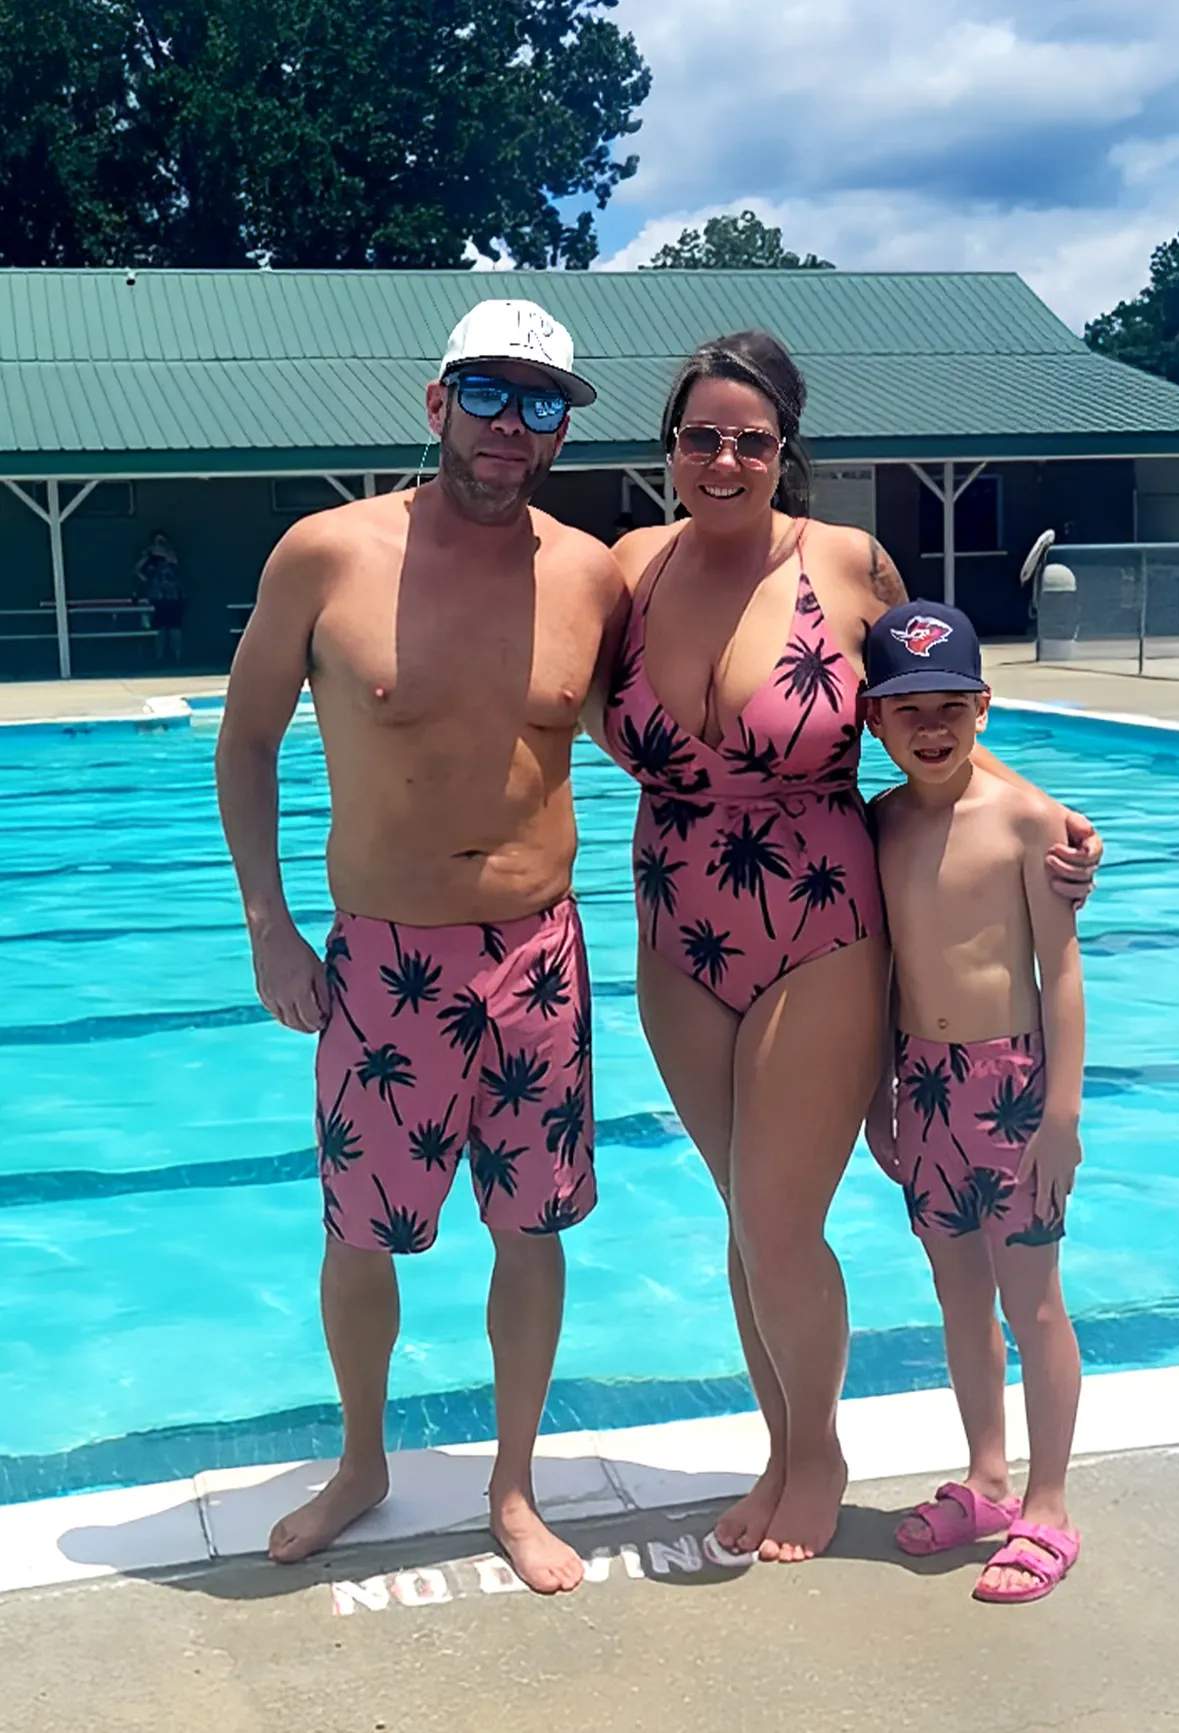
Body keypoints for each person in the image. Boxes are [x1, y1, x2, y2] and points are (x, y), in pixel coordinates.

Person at [597, 330, 1099, 1565]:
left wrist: (1036, 815)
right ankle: (777, 1444)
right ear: (669, 446)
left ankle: (816, 1453)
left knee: (778, 1216)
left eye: (750, 439)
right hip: (676, 922)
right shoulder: (625, 568)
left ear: (784, 452)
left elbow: (934, 705)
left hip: (819, 912)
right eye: (700, 435)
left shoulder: (848, 561)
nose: (723, 457)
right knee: (739, 1215)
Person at [214, 299, 628, 1593]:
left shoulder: (593, 572)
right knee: (361, 1234)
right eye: (489, 395)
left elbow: (676, 744)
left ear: (563, 430)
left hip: (540, 954)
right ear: (437, 402)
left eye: (543, 403)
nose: (513, 426)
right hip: (384, 961)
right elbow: (246, 740)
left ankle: (513, 1482)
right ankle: (362, 1462)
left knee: (533, 1231)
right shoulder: (325, 555)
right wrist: (272, 929)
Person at [864, 601, 1083, 1604]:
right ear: (874, 719)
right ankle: (987, 1478)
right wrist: (881, 1094)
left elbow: (1061, 971)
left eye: (951, 703)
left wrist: (1061, 1112)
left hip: (1011, 1086)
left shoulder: (1027, 822)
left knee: (1030, 1300)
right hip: (924, 1083)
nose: (931, 724)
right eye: (908, 708)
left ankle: (1047, 1502)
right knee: (959, 1298)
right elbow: (878, 976)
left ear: (984, 708)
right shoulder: (880, 822)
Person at [134, 532, 185, 662]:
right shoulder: (149, 556)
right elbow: (137, 569)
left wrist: (161, 552)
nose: (159, 543)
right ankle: (159, 657)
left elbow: (174, 561)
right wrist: (146, 579)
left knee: (175, 628)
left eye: (162, 540)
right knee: (159, 629)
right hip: (157, 596)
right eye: (157, 540)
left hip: (173, 596)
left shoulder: (171, 553)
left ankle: (178, 656)